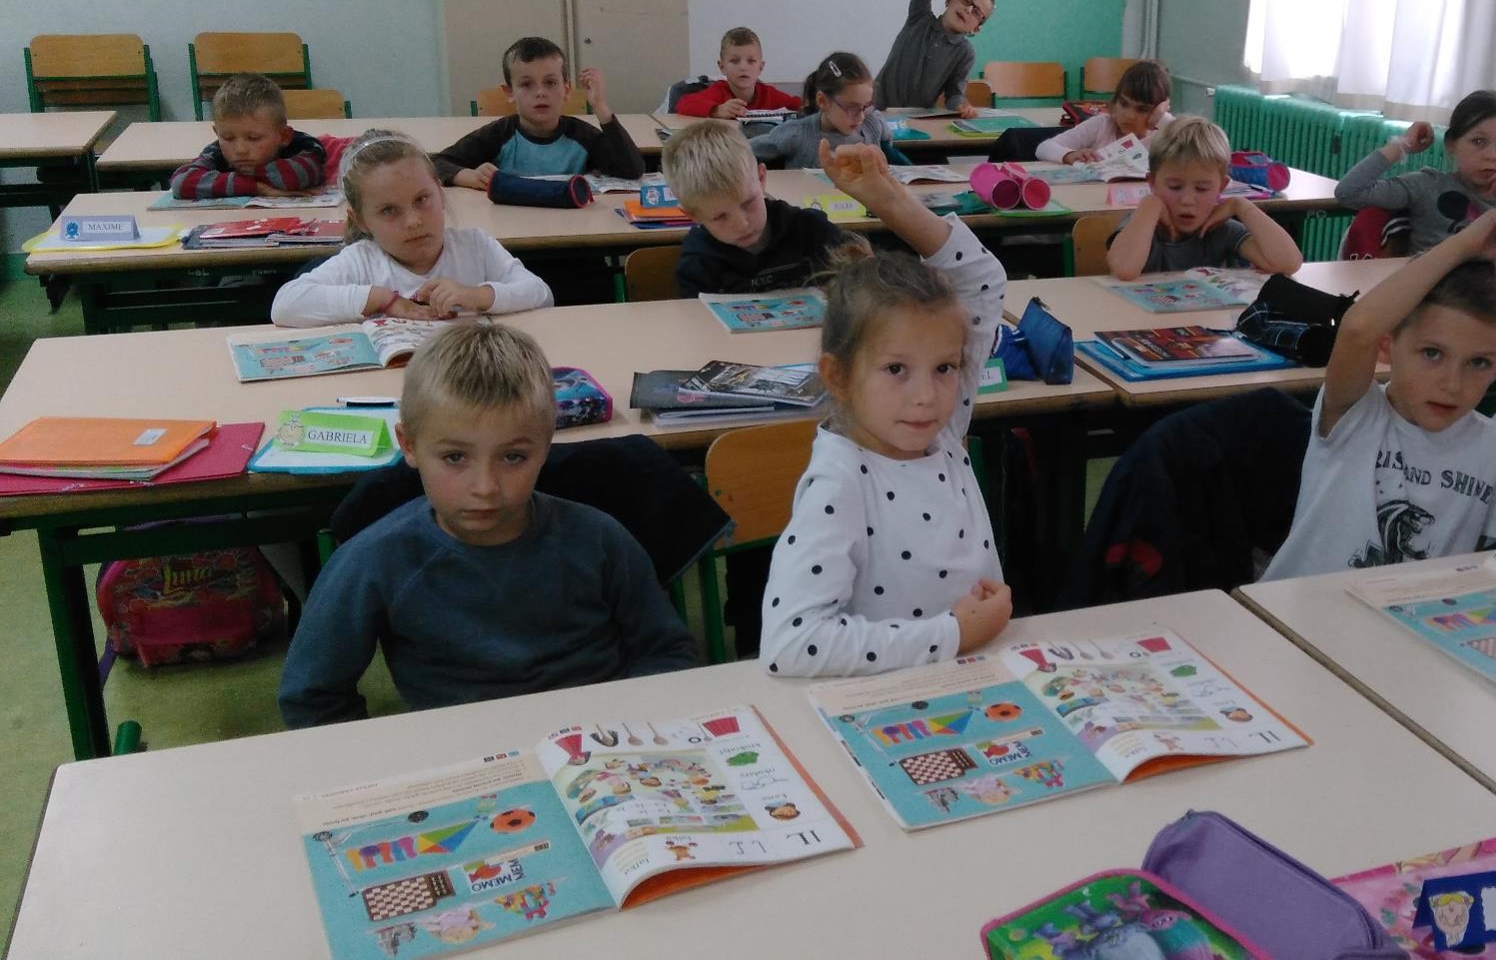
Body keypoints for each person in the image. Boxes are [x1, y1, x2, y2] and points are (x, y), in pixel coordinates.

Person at [277, 324, 699, 726]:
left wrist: (640, 728)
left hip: (604, 738)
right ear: (409, 445)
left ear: (546, 446)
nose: (485, 487)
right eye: (455, 458)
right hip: (464, 752)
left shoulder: (600, 539)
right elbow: (312, 696)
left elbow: (666, 651)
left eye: (513, 457)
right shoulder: (372, 562)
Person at [760, 142, 1011, 677]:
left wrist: (888, 200)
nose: (926, 395)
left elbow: (983, 282)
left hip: (975, 680)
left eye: (945, 368)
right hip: (892, 700)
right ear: (839, 377)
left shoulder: (939, 431)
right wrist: (953, 633)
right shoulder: (841, 482)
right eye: (896, 369)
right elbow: (792, 644)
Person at [1261, 210, 1496, 579]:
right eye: (1432, 354)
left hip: (1411, 609)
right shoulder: (1356, 413)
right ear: (1386, 345)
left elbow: (1487, 571)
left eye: (1479, 362)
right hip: (1298, 607)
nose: (1452, 384)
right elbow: (1358, 327)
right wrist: (1462, 245)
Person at [270, 131, 552, 326]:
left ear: (440, 193)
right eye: (389, 210)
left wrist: (476, 295)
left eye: (422, 200)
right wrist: (383, 299)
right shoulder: (361, 261)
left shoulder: (475, 246)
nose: (413, 221)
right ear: (361, 220)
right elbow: (285, 305)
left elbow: (541, 294)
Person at [1335, 89, 1496, 255]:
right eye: (1478, 142)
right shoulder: (1427, 185)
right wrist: (1402, 144)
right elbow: (1349, 192)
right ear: (1451, 144)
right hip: (1437, 299)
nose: (1491, 155)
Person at [661, 119, 856, 298]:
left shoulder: (810, 229)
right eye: (720, 217)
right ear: (693, 215)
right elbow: (698, 321)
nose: (742, 224)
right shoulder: (697, 263)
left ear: (761, 177)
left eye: (748, 203)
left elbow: (860, 273)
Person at [433, 36, 644, 189]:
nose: (540, 93)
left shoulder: (582, 136)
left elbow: (631, 170)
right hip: (512, 227)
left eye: (550, 83)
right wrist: (471, 177)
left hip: (573, 228)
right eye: (526, 84)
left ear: (566, 90)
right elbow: (438, 164)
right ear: (509, 93)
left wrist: (600, 107)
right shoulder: (498, 135)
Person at [1106, 117, 1302, 279]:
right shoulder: (1142, 222)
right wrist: (1150, 203)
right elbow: (1125, 269)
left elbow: (1288, 263)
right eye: (1174, 187)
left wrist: (1240, 206)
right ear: (1153, 182)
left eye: (1202, 189)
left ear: (1221, 187)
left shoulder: (1221, 229)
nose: (1187, 200)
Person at [169, 72, 326, 200]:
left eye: (253, 138)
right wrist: (257, 188)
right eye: (228, 138)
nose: (240, 150)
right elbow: (181, 182)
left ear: (284, 136)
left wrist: (223, 180)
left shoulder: (304, 146)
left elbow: (296, 175)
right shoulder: (216, 152)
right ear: (217, 134)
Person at [751, 53, 893, 170]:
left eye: (866, 106)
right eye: (851, 107)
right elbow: (743, 152)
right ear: (823, 101)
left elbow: (888, 143)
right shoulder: (796, 134)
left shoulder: (873, 123)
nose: (861, 116)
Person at [1036, 59, 1175, 163]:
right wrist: (1070, 155)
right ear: (1115, 101)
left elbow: (1189, 150)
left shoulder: (1162, 137)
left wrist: (1163, 119)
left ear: (1158, 110)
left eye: (1142, 109)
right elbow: (1043, 148)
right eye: (1124, 104)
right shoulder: (1102, 125)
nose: (1129, 115)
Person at [671, 27, 803, 118]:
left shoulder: (769, 95)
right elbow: (684, 103)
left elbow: (799, 105)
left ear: (761, 67)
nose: (743, 68)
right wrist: (716, 110)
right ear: (722, 67)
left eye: (751, 61)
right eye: (735, 61)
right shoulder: (718, 91)